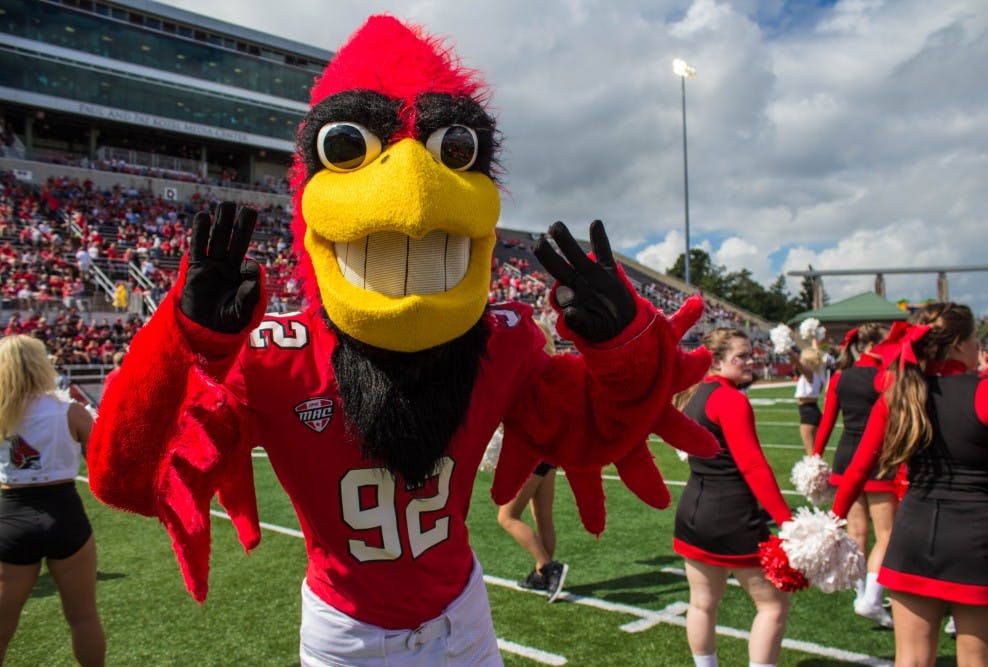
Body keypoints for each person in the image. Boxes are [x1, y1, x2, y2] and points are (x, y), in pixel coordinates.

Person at [85, 15, 714, 666]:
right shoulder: (276, 355)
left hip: (463, 617)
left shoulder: (501, 340)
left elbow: (595, 427)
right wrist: (188, 341)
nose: (413, 193)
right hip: (347, 633)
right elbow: (131, 477)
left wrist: (624, 343)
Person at [832, 303, 988, 667]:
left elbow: (859, 469)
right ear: (958, 344)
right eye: (973, 340)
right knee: (979, 660)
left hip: (912, 535)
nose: (977, 348)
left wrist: (828, 524)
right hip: (976, 540)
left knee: (910, 659)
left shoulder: (899, 394)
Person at [673, 327, 792, 667]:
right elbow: (753, 465)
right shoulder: (730, 398)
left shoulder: (693, 396)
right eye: (741, 356)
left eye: (750, 354)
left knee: (701, 603)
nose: (750, 361)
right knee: (773, 606)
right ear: (716, 360)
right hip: (734, 516)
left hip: (693, 510)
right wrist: (787, 521)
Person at [0, 335, 105, 666]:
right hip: (64, 514)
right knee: (83, 617)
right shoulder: (72, 412)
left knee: (2, 623)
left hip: (10, 517)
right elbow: (102, 466)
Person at [812, 323, 895, 628]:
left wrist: (815, 456)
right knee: (887, 535)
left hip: (845, 459)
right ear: (874, 344)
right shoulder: (887, 377)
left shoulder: (840, 377)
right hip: (878, 458)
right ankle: (871, 598)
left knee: (857, 533)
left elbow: (827, 422)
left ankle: (860, 594)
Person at [497, 320, 567, 603]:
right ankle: (541, 573)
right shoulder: (555, 368)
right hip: (549, 451)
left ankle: (549, 568)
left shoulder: (526, 371)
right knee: (543, 516)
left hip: (530, 452)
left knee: (507, 516)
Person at [790, 343, 826, 454]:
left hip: (808, 413)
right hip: (813, 410)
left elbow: (797, 363)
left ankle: (816, 471)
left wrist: (787, 349)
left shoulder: (809, 374)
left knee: (811, 453)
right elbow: (816, 353)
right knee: (815, 452)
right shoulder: (819, 373)